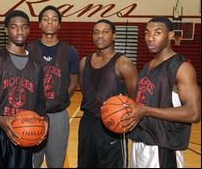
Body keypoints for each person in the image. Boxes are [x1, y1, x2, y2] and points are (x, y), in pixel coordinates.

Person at [0, 10, 48, 168]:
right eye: (14, 27)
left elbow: (39, 101)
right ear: (6, 30)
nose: (19, 31)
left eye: (24, 27)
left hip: (23, 133)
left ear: (29, 30)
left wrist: (44, 119)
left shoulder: (37, 65)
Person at [122, 17, 201, 168]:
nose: (150, 38)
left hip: (163, 147)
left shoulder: (182, 68)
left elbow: (194, 113)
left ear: (171, 35)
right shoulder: (147, 66)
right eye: (147, 33)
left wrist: (146, 111)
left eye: (157, 33)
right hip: (141, 143)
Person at [77, 19, 138, 168]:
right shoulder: (84, 62)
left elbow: (135, 99)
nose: (100, 35)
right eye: (96, 32)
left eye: (105, 31)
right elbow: (86, 91)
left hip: (112, 126)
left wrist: (119, 116)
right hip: (87, 124)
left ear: (114, 36)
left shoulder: (123, 64)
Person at [27, 5, 79, 168]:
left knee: (56, 164)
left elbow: (73, 82)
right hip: (33, 115)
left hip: (58, 115)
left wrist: (61, 99)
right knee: (32, 162)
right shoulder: (29, 50)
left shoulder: (70, 51)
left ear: (59, 25)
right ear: (40, 24)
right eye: (46, 19)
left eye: (54, 19)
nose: (50, 22)